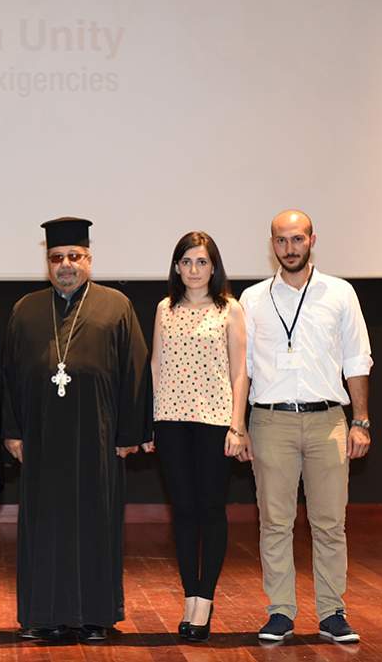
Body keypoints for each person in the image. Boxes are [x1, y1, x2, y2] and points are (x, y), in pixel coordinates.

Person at [0, 217, 151, 642]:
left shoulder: (115, 305)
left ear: (89, 259)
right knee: (44, 526)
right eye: (57, 258)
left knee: (95, 524)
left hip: (98, 438)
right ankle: (42, 615)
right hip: (41, 438)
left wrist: (128, 434)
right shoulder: (26, 309)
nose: (65, 264)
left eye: (74, 256)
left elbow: (135, 370)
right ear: (47, 262)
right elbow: (8, 375)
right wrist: (12, 432)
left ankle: (95, 616)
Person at [241, 210, 372, 644]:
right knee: (275, 522)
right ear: (272, 244)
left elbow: (357, 359)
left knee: (330, 523)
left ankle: (332, 612)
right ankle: (280, 611)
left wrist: (360, 421)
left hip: (328, 421)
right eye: (281, 240)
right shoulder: (253, 299)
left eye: (297, 239)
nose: (289, 248)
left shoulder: (340, 292)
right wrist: (238, 426)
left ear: (312, 240)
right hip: (270, 420)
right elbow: (242, 369)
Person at [149, 231, 250, 642]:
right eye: (187, 261)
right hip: (171, 421)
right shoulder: (164, 308)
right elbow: (156, 365)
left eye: (202, 262)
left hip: (214, 422)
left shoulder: (229, 309)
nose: (194, 269)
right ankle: (190, 594)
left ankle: (206, 598)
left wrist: (238, 426)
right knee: (183, 510)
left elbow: (240, 371)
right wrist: (151, 421)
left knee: (210, 509)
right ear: (177, 267)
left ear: (214, 267)